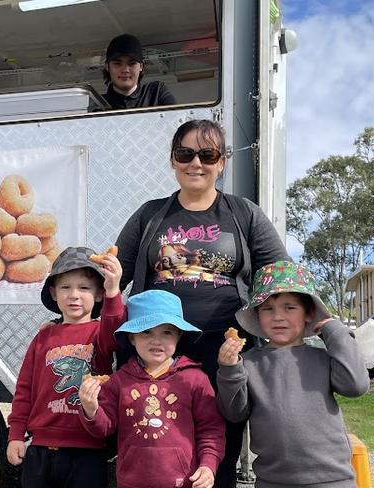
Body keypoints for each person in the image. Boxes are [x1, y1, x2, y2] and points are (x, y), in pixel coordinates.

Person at [115, 119, 290, 488]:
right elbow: (117, 279)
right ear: (173, 160)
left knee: (218, 446)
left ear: (222, 162)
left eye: (207, 154)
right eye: (185, 153)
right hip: (159, 350)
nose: (196, 162)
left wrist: (308, 327)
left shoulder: (244, 214)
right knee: (155, 441)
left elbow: (281, 277)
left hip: (223, 352)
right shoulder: (150, 215)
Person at [217, 261, 370, 488]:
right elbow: (235, 413)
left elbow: (356, 386)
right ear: (257, 315)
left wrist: (335, 330)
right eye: (268, 309)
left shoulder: (322, 358)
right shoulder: (248, 362)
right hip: (272, 481)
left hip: (333, 479)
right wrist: (229, 369)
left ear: (308, 313)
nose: (278, 317)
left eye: (289, 307)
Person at [6, 246, 126, 488]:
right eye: (65, 287)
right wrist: (16, 434)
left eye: (84, 288)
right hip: (40, 448)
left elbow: (115, 333)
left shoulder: (99, 334)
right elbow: (25, 388)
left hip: (88, 448)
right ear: (53, 292)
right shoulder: (43, 337)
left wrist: (114, 290)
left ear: (99, 294)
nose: (74, 295)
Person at [79, 290, 225, 488]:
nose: (156, 340)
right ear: (132, 338)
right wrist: (90, 408)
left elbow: (210, 429)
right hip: (131, 482)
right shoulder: (119, 381)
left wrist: (208, 465)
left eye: (167, 332)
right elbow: (104, 428)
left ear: (178, 335)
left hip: (184, 482)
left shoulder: (194, 379)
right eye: (146, 331)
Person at [102, 33, 176, 109]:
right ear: (107, 67)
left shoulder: (157, 92)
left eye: (132, 63)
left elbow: (177, 116)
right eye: (117, 64)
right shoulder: (98, 105)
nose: (125, 70)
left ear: (141, 66)